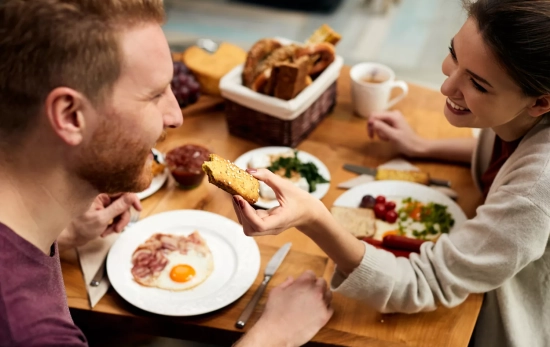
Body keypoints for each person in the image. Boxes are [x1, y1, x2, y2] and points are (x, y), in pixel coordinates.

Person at [0, 1, 332, 346]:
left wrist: (62, 233)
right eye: (156, 94)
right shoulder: (26, 329)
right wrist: (274, 335)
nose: (176, 116)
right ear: (70, 116)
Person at [231, 1, 550, 346]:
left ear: (539, 103)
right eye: (453, 54)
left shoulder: (535, 190)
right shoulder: (516, 116)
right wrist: (422, 147)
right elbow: (508, 156)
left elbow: (422, 283)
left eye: (478, 85)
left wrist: (312, 219)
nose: (446, 87)